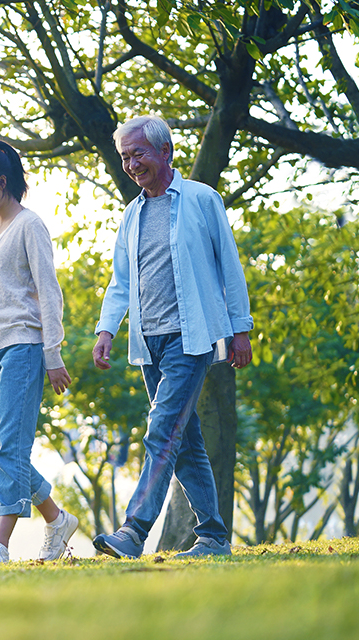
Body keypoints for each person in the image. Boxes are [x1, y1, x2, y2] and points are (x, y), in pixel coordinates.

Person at [91, 115, 253, 559]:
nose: (131, 164)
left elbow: (229, 268)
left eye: (138, 153)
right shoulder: (132, 213)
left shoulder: (203, 199)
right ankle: (215, 536)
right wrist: (108, 329)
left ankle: (133, 531)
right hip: (148, 343)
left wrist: (241, 329)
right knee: (185, 441)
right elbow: (120, 281)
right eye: (125, 156)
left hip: (191, 336)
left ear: (166, 152)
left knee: (161, 430)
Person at [0, 141, 79, 564]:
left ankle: (0, 542)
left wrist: (53, 353)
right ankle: (56, 517)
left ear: (1, 182)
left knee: (11, 446)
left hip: (24, 346)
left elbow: (50, 292)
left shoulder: (30, 226)